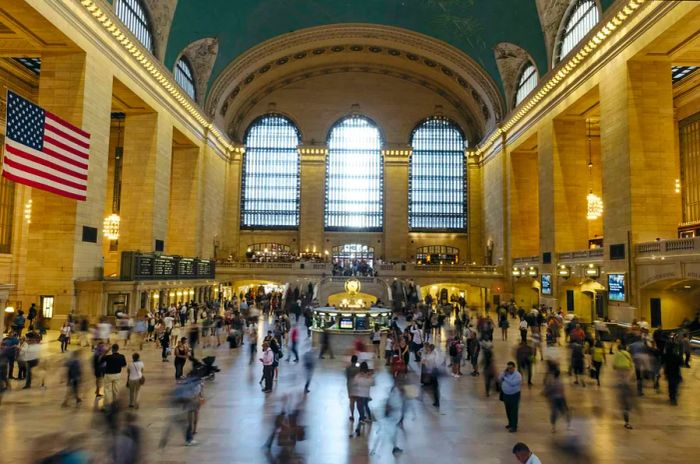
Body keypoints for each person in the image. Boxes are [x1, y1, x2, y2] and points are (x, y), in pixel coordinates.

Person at [612, 344, 634, 429]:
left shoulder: (617, 353)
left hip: (619, 369)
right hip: (627, 369)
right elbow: (631, 363)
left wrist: (615, 367)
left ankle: (622, 384)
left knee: (620, 380)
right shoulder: (627, 353)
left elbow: (614, 365)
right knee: (625, 380)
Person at [351, 362, 375, 435]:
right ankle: (363, 421)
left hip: (359, 396)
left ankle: (358, 427)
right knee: (364, 409)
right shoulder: (369, 376)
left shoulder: (358, 376)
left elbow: (354, 383)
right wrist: (369, 376)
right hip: (366, 395)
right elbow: (373, 383)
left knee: (360, 412)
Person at [499, 361, 522, 432]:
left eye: (511, 368)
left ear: (514, 368)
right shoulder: (506, 373)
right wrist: (504, 373)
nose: (509, 370)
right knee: (508, 409)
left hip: (514, 395)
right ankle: (510, 423)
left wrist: (505, 378)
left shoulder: (518, 375)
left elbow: (513, 383)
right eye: (508, 368)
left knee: (514, 410)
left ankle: (514, 426)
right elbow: (499, 378)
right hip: (506, 394)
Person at [346, 355, 361, 421]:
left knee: (351, 401)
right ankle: (361, 415)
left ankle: (352, 415)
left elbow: (347, 376)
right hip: (358, 384)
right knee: (359, 401)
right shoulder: (359, 367)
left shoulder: (348, 368)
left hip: (350, 384)